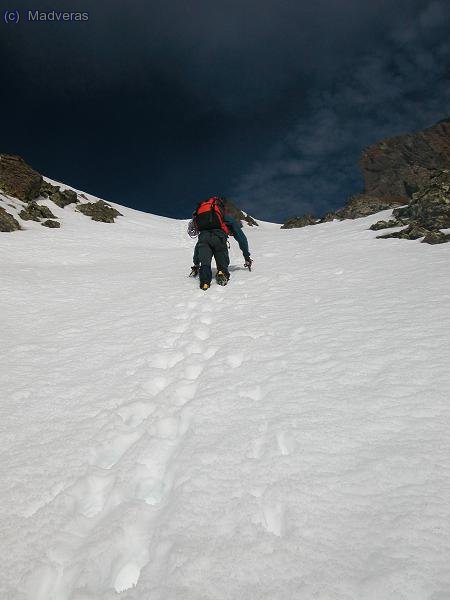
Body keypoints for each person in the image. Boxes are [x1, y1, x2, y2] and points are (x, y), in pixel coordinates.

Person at [189, 198, 252, 290]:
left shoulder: (202, 219)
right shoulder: (224, 216)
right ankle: (222, 272)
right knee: (222, 261)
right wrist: (247, 257)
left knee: (205, 263)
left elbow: (198, 246)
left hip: (203, 239)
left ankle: (205, 282)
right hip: (219, 238)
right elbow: (241, 238)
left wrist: (196, 263)